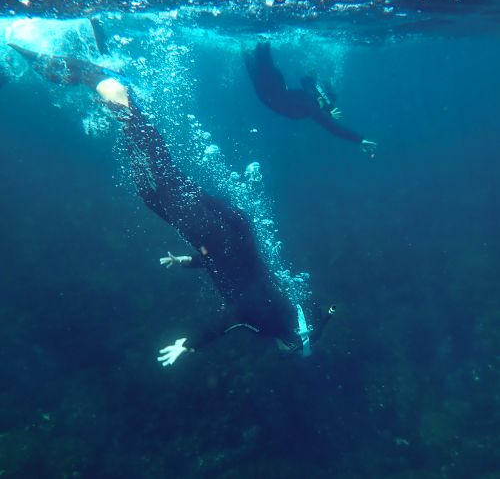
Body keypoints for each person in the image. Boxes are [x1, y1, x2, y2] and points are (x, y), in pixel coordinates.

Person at [8, 42, 334, 366]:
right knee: (160, 180)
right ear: (295, 344)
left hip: (230, 228)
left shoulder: (285, 301)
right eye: (290, 352)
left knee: (157, 189)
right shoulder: (272, 324)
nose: (283, 352)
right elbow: (234, 316)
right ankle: (122, 102)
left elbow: (234, 267)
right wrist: (190, 345)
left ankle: (127, 110)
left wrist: (186, 261)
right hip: (212, 234)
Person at [245, 42, 377, 156]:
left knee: (261, 50)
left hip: (271, 91)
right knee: (253, 55)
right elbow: (306, 82)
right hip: (268, 94)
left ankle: (260, 39)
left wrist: (358, 139)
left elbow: (333, 128)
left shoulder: (311, 108)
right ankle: (253, 45)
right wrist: (358, 140)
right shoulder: (311, 103)